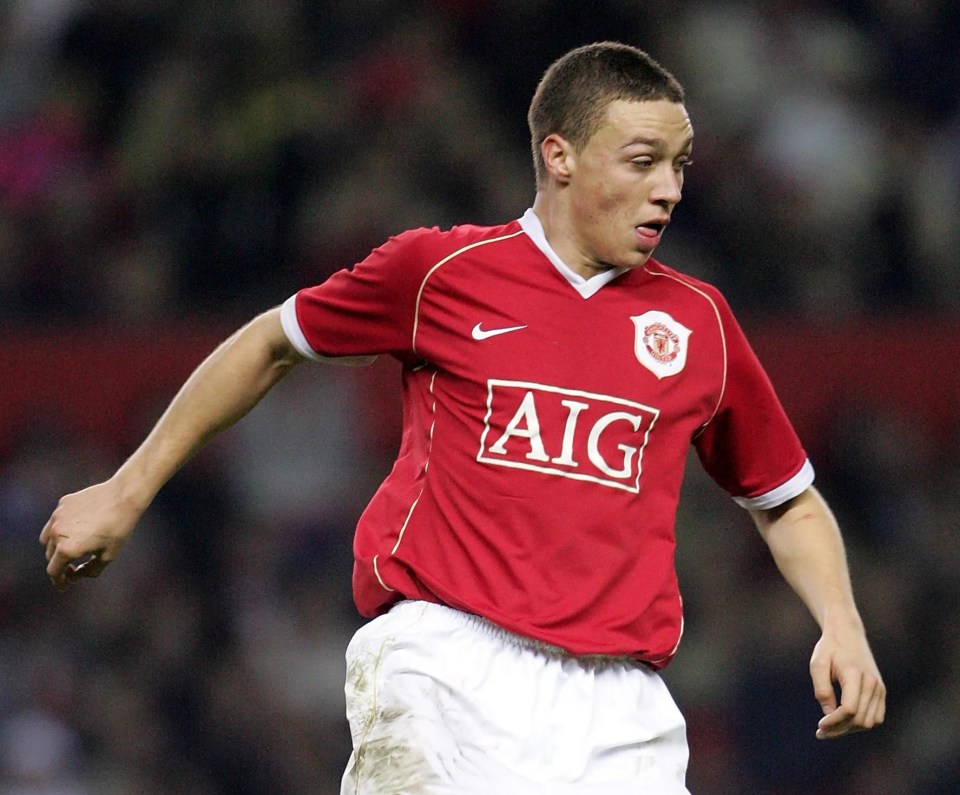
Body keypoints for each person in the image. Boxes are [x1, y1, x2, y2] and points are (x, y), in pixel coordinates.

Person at [40, 42, 885, 794]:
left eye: (680, 164)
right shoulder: (439, 272)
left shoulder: (699, 323)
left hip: (622, 708)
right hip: (449, 661)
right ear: (560, 155)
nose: (667, 188)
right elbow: (271, 342)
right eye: (641, 160)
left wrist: (841, 626)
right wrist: (127, 487)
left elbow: (786, 498)